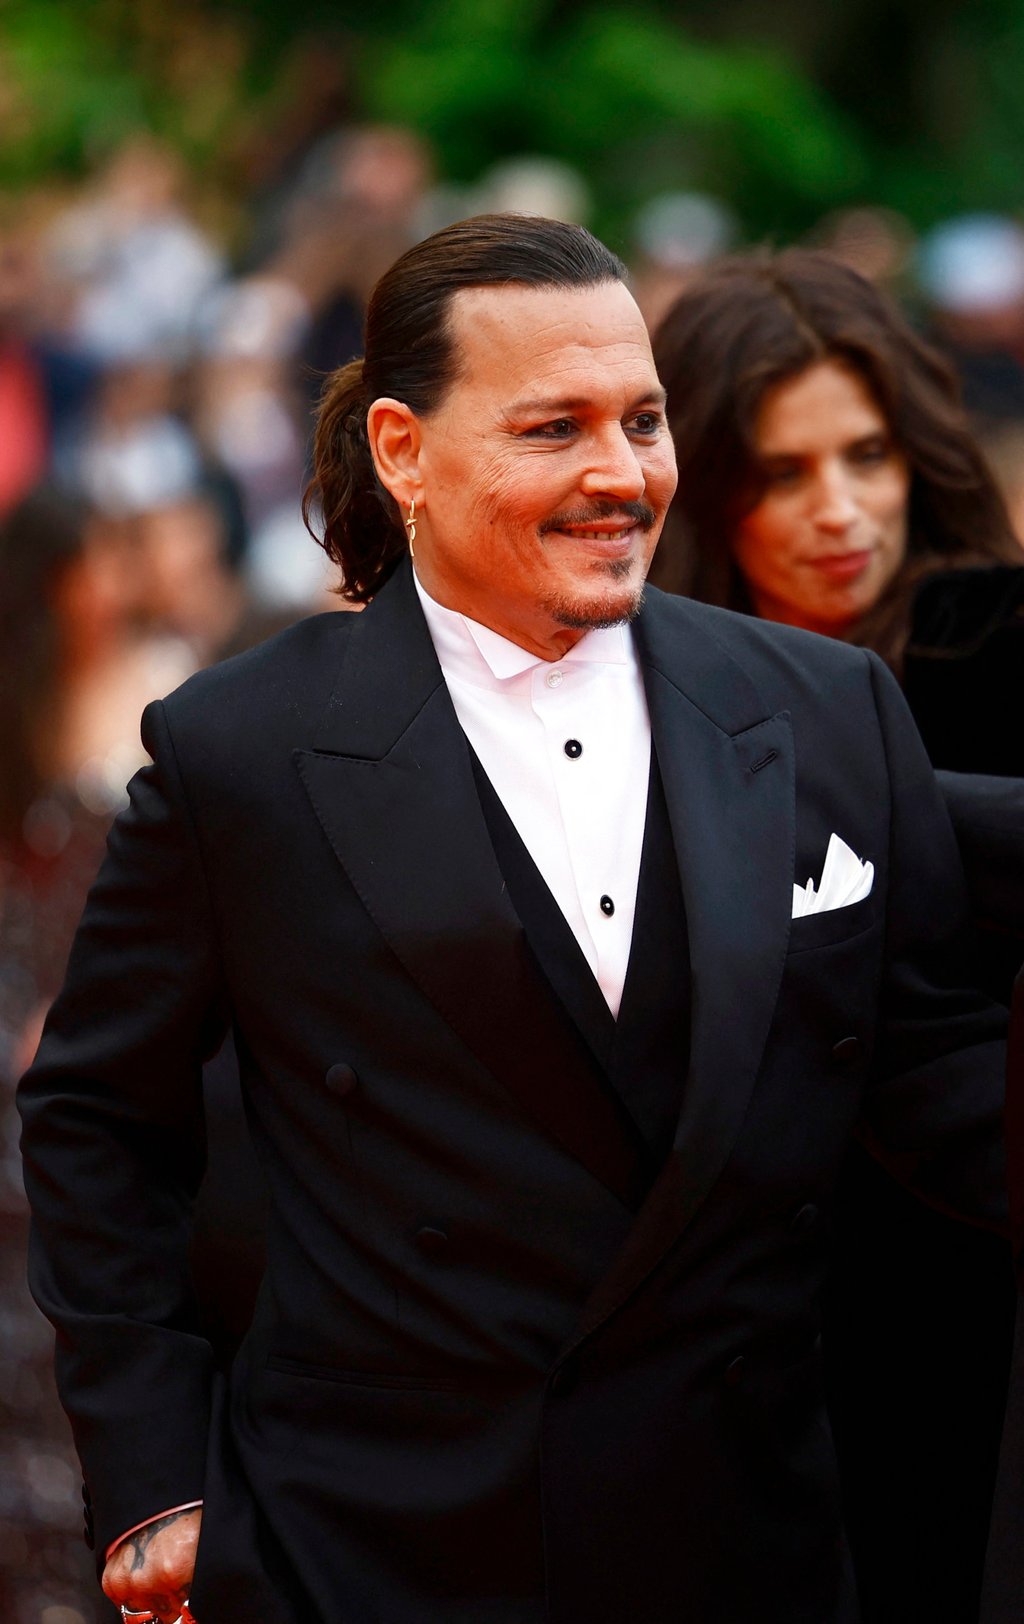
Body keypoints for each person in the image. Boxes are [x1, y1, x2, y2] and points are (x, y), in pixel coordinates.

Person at [18, 215, 1008, 1624]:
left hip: (744, 1536)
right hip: (375, 1552)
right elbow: (97, 1121)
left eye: (644, 420)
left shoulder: (821, 708)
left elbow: (934, 1070)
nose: (622, 475)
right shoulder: (244, 749)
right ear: (405, 453)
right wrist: (156, 1470)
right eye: (556, 428)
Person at [651, 250, 1023, 1621]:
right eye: (782, 472)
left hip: (956, 1321)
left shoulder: (997, 649)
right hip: (713, 1350)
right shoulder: (628, 696)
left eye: (866, 455)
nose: (841, 510)